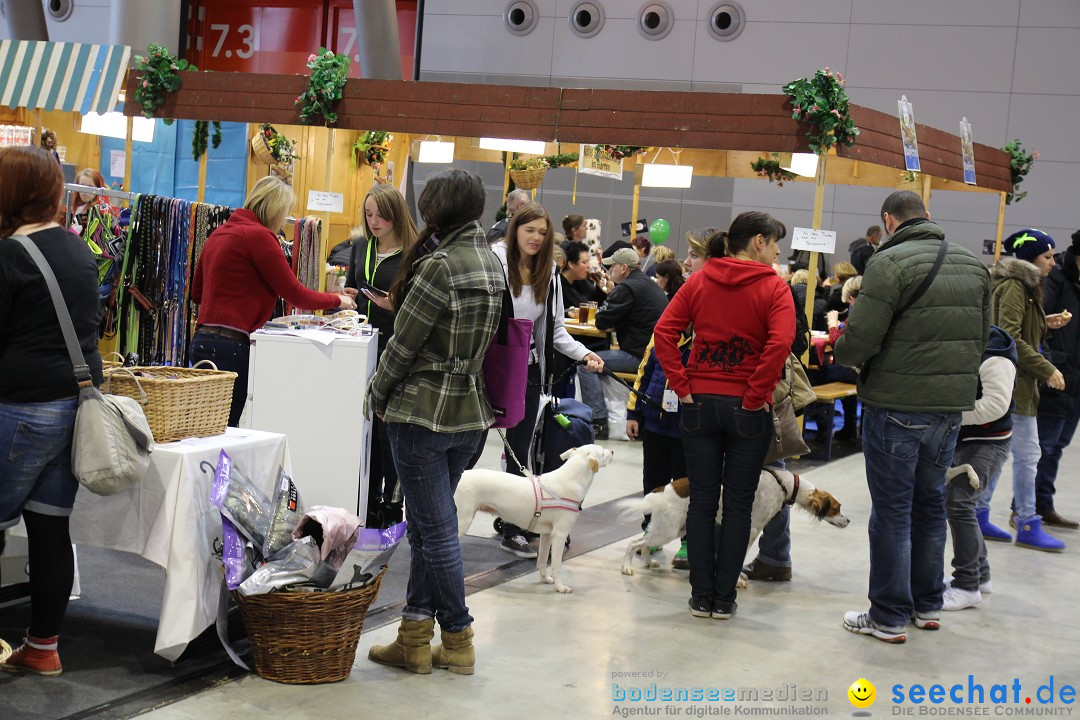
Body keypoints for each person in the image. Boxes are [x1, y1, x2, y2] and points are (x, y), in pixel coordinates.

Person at [833, 190, 990, 644]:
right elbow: (982, 338)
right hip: (948, 408)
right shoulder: (971, 264)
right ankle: (926, 605)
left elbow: (860, 339)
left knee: (892, 513)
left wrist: (844, 352)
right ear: (927, 216)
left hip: (897, 405)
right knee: (928, 507)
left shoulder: (888, 262)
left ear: (888, 219)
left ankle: (887, 616)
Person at [366, 168, 505, 676]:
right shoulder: (492, 262)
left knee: (437, 529)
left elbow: (402, 345)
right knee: (428, 529)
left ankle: (460, 634)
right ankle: (414, 637)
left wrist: (375, 393)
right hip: (470, 414)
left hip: (422, 414)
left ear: (432, 211)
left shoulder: (439, 265)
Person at [653, 211, 795, 620]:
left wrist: (683, 386)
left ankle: (701, 597)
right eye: (774, 243)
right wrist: (756, 394)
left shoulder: (699, 280)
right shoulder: (774, 287)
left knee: (701, 502)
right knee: (737, 505)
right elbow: (780, 342)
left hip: (699, 402)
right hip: (746, 408)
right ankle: (723, 600)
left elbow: (664, 333)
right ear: (758, 243)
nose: (777, 252)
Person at [0, 146, 105, 676]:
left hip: (19, 409)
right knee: (48, 529)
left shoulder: (8, 256)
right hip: (73, 410)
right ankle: (42, 648)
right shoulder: (76, 250)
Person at [191, 176, 356, 427]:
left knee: (203, 428)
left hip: (202, 341)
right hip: (231, 346)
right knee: (224, 430)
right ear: (276, 210)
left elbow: (196, 292)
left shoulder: (219, 233)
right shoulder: (258, 237)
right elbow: (295, 294)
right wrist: (338, 299)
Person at [489, 202, 604, 556]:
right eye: (529, 231)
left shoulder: (549, 274)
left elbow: (554, 331)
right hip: (486, 367)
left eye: (543, 233)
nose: (536, 238)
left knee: (520, 453)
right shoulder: (494, 263)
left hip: (527, 370)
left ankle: (513, 525)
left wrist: (584, 353)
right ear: (514, 231)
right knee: (468, 448)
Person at [625, 235, 709, 571]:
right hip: (656, 418)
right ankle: (651, 535)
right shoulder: (668, 320)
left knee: (688, 485)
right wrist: (634, 410)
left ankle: (689, 542)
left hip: (691, 422)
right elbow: (647, 364)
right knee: (653, 480)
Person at [986, 229, 1069, 552]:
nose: (1052, 262)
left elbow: (1014, 331)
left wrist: (1044, 324)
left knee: (1000, 453)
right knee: (1027, 455)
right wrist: (1046, 368)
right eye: (1047, 256)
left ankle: (980, 513)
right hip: (1014, 385)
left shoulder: (1020, 286)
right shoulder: (1016, 287)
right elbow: (1008, 337)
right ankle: (1027, 521)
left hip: (1013, 383)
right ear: (1029, 258)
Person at [344, 183, 419, 528]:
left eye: (381, 215)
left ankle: (393, 499)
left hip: (396, 346)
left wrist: (394, 304)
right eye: (369, 214)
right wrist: (346, 300)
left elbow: (419, 304)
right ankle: (367, 496)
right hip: (361, 345)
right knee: (364, 425)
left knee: (390, 428)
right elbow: (352, 285)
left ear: (396, 214)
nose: (374, 222)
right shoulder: (361, 246)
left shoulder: (413, 253)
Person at [943, 325, 1016, 611]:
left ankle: (967, 584)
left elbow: (996, 404)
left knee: (960, 503)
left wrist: (947, 414)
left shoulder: (994, 347)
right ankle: (979, 575)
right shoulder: (960, 335)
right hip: (967, 437)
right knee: (962, 505)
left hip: (988, 440)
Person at [577, 247, 669, 439]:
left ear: (624, 268)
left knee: (586, 363)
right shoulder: (647, 284)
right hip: (656, 356)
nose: (609, 270)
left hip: (638, 357)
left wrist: (611, 293)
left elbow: (602, 320)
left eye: (612, 266)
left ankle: (598, 421)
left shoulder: (627, 288)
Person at [1033, 227, 1080, 529]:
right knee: (1043, 447)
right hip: (1055, 376)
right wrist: (1049, 366)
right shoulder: (1056, 280)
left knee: (1058, 445)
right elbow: (1036, 325)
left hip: (1075, 380)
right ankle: (1029, 508)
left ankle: (1041, 504)